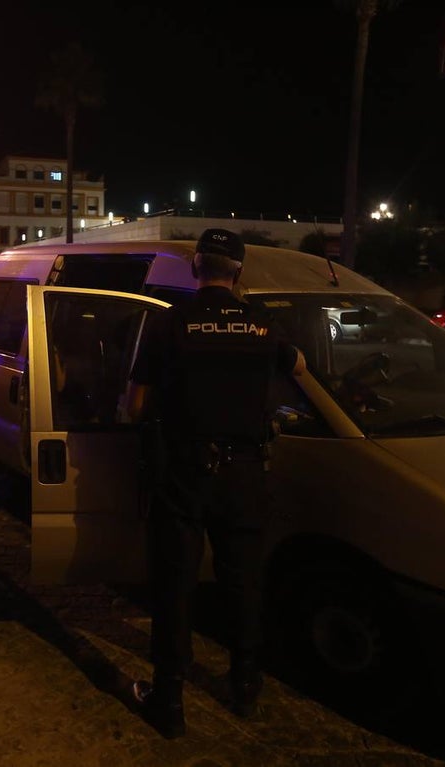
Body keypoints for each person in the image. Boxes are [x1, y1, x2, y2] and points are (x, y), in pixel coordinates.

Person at [125, 229, 303, 738]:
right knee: (243, 582)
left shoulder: (167, 324)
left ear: (196, 267)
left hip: (184, 472)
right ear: (239, 272)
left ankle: (169, 700)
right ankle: (245, 686)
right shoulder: (264, 326)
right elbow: (301, 367)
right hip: (246, 473)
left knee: (175, 584)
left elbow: (135, 406)